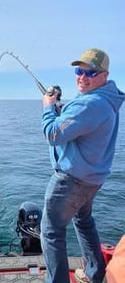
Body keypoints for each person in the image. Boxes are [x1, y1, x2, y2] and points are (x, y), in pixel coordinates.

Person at [40, 48, 125, 283]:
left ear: (104, 75)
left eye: (91, 73)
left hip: (70, 180)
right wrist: (62, 110)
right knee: (84, 221)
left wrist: (48, 106)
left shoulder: (90, 104)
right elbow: (81, 124)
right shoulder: (107, 99)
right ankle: (94, 273)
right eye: (79, 70)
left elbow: (52, 134)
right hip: (92, 179)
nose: (82, 77)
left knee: (51, 231)